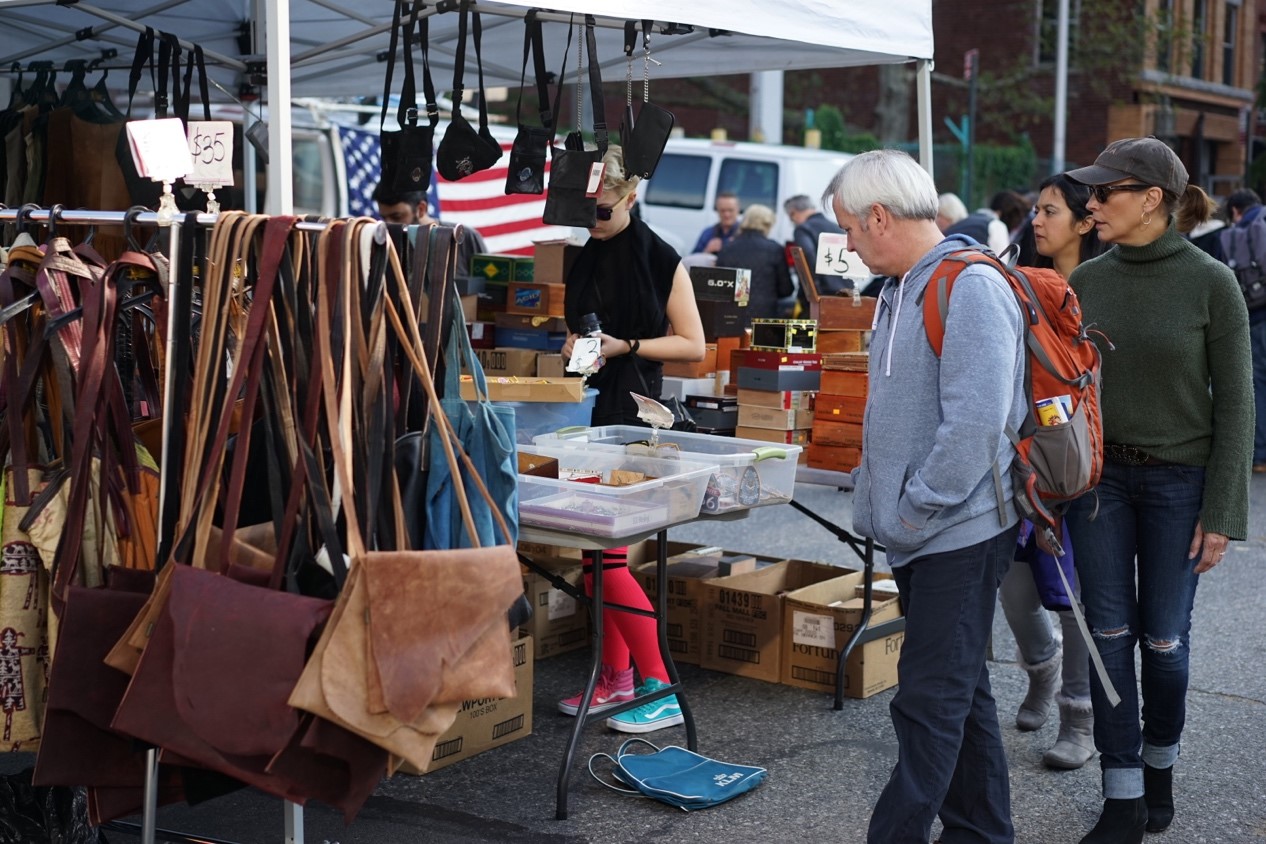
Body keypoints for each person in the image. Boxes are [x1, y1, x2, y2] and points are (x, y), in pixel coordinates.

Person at [827, 149, 1026, 844]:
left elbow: (975, 424)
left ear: (880, 217)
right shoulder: (901, 287)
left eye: (850, 227)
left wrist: (912, 510)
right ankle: (981, 833)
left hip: (958, 534)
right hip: (931, 533)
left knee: (928, 703)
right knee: (959, 698)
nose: (847, 242)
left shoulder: (969, 285)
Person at [1064, 137, 1252, 843]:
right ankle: (1121, 795)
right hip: (1100, 483)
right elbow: (1066, 394)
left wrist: (1224, 511)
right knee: (1108, 638)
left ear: (1152, 199)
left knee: (1165, 643)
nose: (1091, 203)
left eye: (1104, 191)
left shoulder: (1212, 282)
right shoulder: (1088, 281)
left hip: (1181, 482)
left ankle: (1159, 764)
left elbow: (1238, 403)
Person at [558, 143, 706, 733]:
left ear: (631, 195)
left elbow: (693, 345)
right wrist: (575, 348)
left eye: (602, 209)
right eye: (584, 209)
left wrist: (628, 346)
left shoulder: (661, 257)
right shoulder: (582, 254)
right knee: (595, 559)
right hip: (592, 409)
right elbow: (580, 332)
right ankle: (617, 679)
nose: (592, 220)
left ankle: (661, 687)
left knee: (610, 558)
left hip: (637, 415)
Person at [998, 173, 1107, 772]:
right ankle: (1039, 671)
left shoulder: (1101, 287)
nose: (1037, 220)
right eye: (1035, 210)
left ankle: (1079, 716)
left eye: (1050, 211)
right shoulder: (1015, 282)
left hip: (1082, 461)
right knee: (1013, 586)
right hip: (1020, 456)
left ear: (1086, 222)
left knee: (1073, 598)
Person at [1219, 189, 1266, 473]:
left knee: (1258, 382)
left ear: (1236, 210)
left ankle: (1259, 455)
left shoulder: (1239, 232)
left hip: (1258, 315)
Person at [372, 182, 487, 286]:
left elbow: (491, 287)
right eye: (384, 218)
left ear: (421, 209)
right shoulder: (384, 242)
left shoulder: (465, 237)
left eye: (396, 217)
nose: (388, 224)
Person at [716, 203, 794, 320]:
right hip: (764, 317)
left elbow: (719, 286)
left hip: (731, 316)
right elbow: (786, 289)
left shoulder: (727, 247)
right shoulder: (774, 249)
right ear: (767, 224)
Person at [783, 194, 850, 299]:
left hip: (821, 293)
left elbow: (807, 256)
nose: (792, 222)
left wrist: (812, 289)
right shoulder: (837, 227)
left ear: (793, 213)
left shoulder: (803, 229)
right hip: (846, 292)